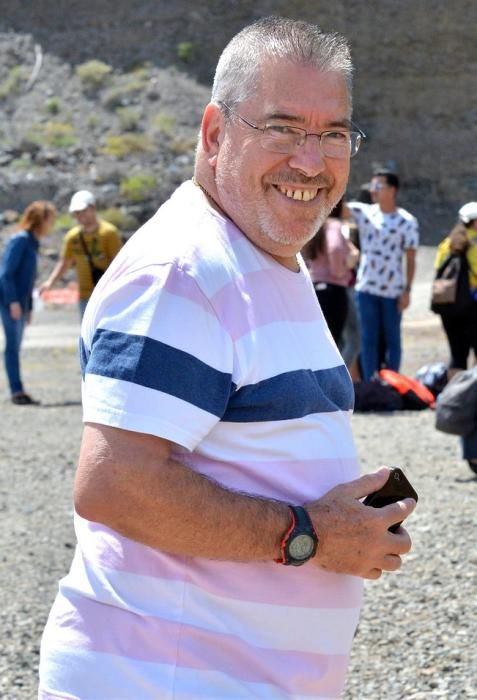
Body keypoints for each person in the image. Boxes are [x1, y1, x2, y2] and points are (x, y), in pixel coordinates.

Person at [39, 17, 416, 700]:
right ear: (215, 133)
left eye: (333, 132)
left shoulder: (263, 256)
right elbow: (114, 485)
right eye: (282, 127)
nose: (311, 159)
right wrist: (310, 536)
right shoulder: (182, 271)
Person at [345, 170, 419, 381]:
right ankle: (370, 384)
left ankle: (392, 383)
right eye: (372, 186)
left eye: (379, 186)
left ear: (392, 190)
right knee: (368, 339)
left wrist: (407, 290)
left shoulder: (407, 221)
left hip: (393, 290)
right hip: (366, 288)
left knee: (392, 339)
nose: (373, 190)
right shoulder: (364, 212)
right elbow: (336, 209)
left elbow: (411, 259)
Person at [0, 200, 56, 404]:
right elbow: (5, 274)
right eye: (49, 220)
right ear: (40, 220)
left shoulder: (33, 242)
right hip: (9, 301)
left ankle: (18, 389)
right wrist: (14, 302)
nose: (52, 225)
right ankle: (17, 391)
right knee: (12, 346)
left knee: (16, 346)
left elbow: (29, 278)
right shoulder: (20, 240)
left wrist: (29, 307)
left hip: (21, 302)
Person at [39, 190, 122, 317]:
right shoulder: (72, 237)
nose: (80, 215)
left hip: (107, 294)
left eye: (83, 211)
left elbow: (119, 263)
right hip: (85, 296)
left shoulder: (109, 233)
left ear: (93, 208)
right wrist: (50, 282)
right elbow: (64, 263)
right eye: (77, 213)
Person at [302, 199, 358, 345]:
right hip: (334, 291)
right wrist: (340, 270)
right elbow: (335, 248)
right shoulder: (334, 225)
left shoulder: (317, 225)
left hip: (315, 288)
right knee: (339, 342)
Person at [433, 201, 477, 379]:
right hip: (473, 306)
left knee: (457, 355)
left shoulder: (447, 243)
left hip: (449, 306)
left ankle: (453, 400)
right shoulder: (475, 244)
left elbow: (438, 268)